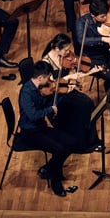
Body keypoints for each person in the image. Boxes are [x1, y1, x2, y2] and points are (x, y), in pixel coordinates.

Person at [18, 61, 80, 197]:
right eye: (47, 78)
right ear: (40, 78)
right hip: (30, 132)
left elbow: (48, 102)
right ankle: (55, 181)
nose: (49, 81)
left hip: (41, 128)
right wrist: (50, 109)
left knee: (71, 142)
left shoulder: (40, 88)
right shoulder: (26, 93)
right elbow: (33, 115)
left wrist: (60, 95)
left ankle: (48, 168)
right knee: (60, 150)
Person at [39, 33, 102, 153]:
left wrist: (73, 78)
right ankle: (82, 144)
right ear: (57, 48)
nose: (68, 52)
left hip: (66, 89)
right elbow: (53, 84)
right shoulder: (46, 62)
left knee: (88, 103)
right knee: (82, 106)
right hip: (55, 95)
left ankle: (92, 140)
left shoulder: (62, 57)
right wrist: (70, 78)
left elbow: (70, 70)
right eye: (66, 49)